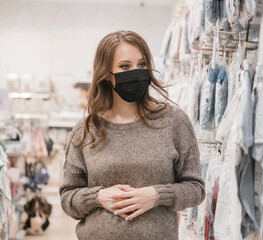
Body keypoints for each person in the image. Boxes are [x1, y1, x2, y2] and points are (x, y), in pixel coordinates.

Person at [59, 30, 205, 240]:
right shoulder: (86, 130)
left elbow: (196, 189)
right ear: (106, 74)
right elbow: (68, 199)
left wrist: (156, 195)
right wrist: (98, 197)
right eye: (125, 66)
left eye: (142, 64)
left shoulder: (174, 122)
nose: (135, 72)